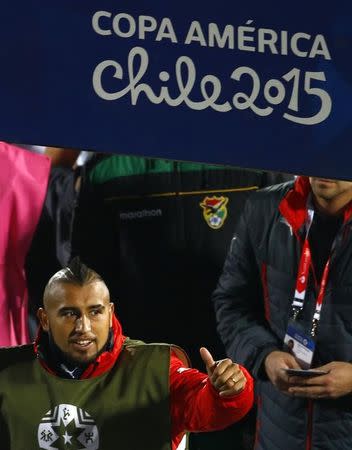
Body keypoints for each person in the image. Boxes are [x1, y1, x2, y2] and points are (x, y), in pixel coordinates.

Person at [0, 258, 254, 450]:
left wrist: (228, 390)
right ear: (44, 319)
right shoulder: (6, 372)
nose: (83, 327)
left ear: (110, 313)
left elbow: (206, 408)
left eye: (95, 312)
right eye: (69, 314)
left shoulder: (155, 369)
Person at [212, 175, 352, 450]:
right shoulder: (264, 209)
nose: (324, 167)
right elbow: (231, 302)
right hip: (277, 434)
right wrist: (264, 356)